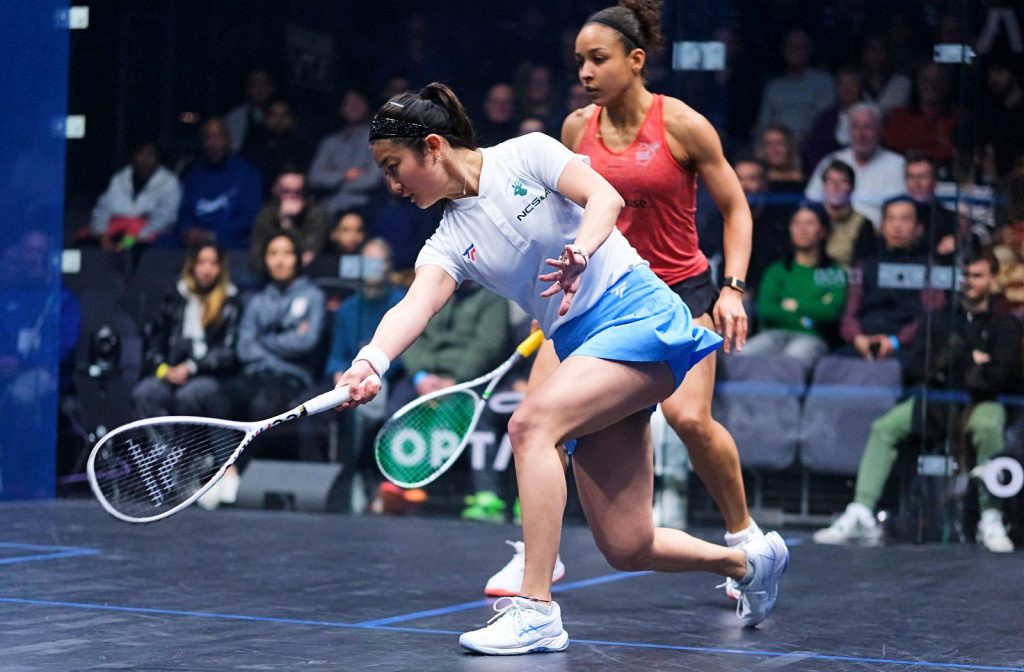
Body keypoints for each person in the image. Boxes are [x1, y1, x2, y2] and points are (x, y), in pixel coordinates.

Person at [334, 81, 788, 655]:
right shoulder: (446, 241)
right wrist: (369, 361)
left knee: (530, 425)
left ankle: (536, 610)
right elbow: (415, 306)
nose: (392, 185)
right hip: (582, 347)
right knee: (627, 545)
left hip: (636, 313)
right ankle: (750, 563)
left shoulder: (527, 154)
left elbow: (605, 199)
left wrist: (583, 251)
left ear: (433, 147)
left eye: (393, 167)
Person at [490, 0, 767, 604]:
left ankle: (746, 537)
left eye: (598, 59)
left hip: (676, 295)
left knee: (689, 419)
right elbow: (560, 217)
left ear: (636, 60)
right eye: (579, 61)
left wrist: (733, 287)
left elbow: (736, 210)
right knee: (536, 421)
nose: (585, 72)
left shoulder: (683, 124)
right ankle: (536, 558)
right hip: (595, 300)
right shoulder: (574, 129)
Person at [814, 249, 1021, 552]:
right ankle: (859, 511)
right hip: (937, 402)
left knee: (988, 426)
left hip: (981, 403)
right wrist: (973, 360)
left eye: (977, 276)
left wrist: (952, 359)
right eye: (964, 275)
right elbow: (916, 367)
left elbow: (998, 376)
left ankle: (991, 516)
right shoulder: (939, 318)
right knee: (884, 427)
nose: (969, 282)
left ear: (992, 279)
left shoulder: (1006, 324)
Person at [132, 243, 241, 419]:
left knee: (188, 397)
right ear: (192, 265)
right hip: (170, 370)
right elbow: (153, 340)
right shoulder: (175, 299)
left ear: (221, 268)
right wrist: (163, 369)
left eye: (213, 263)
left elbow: (227, 352)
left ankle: (190, 440)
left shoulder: (230, 303)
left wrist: (192, 367)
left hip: (208, 375)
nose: (207, 270)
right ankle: (164, 439)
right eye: (201, 262)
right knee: (145, 394)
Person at [740, 203, 847, 371]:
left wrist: (792, 304)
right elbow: (766, 310)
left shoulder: (834, 272)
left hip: (813, 338)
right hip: (773, 334)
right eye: (797, 223)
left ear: (823, 231)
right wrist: (808, 316)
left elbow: (831, 313)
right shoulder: (776, 270)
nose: (802, 229)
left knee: (790, 362)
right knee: (741, 357)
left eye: (809, 223)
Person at [839, 197, 941, 362]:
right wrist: (858, 338)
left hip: (908, 347)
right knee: (828, 365)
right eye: (891, 219)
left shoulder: (930, 267)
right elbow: (850, 313)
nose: (897, 226)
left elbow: (931, 316)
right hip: (864, 342)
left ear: (918, 228)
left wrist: (895, 341)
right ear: (882, 226)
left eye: (905, 219)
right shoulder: (864, 265)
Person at [804, 103, 906, 225]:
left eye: (867, 127)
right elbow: (811, 201)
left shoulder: (897, 164)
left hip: (880, 232)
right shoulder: (831, 161)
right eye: (855, 127)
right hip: (834, 232)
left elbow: (901, 210)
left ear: (879, 131)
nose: (860, 134)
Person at [177, 117, 263, 250]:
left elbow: (249, 216)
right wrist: (187, 230)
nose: (213, 143)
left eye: (218, 137)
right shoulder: (194, 173)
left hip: (232, 242)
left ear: (229, 139)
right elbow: (184, 211)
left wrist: (213, 235)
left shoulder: (248, 172)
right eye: (208, 138)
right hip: (195, 242)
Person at [89, 140, 182, 250]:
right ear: (133, 156)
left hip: (148, 239)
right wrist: (103, 237)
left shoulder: (169, 183)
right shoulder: (119, 178)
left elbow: (163, 220)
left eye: (150, 154)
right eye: (141, 153)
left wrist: (126, 243)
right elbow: (102, 209)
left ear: (158, 158)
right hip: (115, 235)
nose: (145, 159)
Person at [307, 89, 383, 218]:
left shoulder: (378, 140)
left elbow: (372, 181)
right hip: (328, 208)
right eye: (349, 103)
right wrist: (344, 175)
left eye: (358, 101)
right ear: (341, 108)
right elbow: (314, 178)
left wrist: (331, 177)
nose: (354, 106)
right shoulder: (329, 142)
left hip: (363, 208)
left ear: (367, 105)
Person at [754, 28, 835, 140]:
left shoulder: (824, 82)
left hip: (811, 144)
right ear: (784, 51)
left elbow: (825, 124)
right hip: (777, 145)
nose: (796, 51)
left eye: (801, 46)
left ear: (810, 50)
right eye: (791, 46)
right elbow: (763, 125)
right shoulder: (773, 87)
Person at [249, 169, 329, 270]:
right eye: (286, 191)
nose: (292, 197)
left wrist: (288, 222)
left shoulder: (316, 215)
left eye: (298, 192)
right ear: (276, 190)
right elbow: (256, 258)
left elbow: (309, 257)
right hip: (269, 274)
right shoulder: (266, 216)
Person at [820, 159, 876, 269]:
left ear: (852, 187)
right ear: (824, 187)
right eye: (830, 181)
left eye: (843, 181)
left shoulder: (863, 224)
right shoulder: (812, 220)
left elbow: (863, 265)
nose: (836, 187)